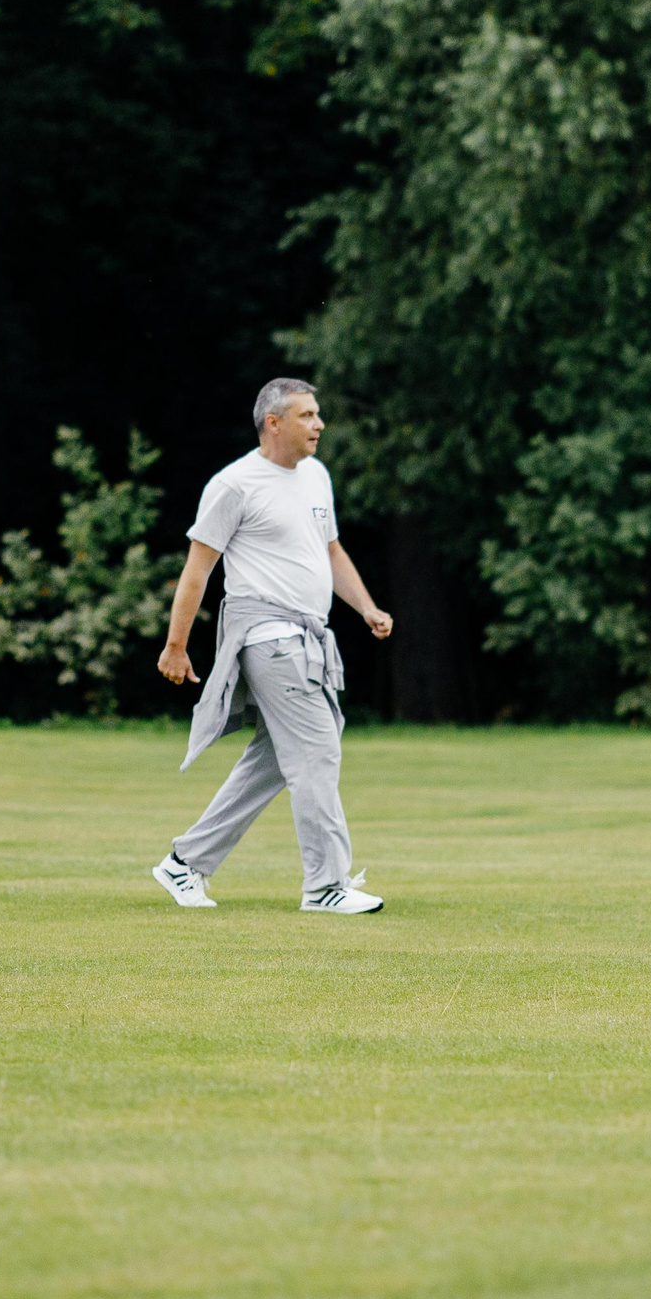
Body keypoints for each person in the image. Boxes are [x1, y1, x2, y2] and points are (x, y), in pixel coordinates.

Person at [152, 378, 395, 914]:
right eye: (307, 415)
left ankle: (184, 862)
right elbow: (198, 571)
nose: (320, 425)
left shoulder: (315, 476)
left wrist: (367, 608)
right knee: (317, 749)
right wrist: (176, 645)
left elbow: (329, 551)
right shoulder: (235, 484)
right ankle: (325, 886)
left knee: (279, 756)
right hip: (267, 635)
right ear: (274, 423)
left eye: (318, 414)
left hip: (308, 635)